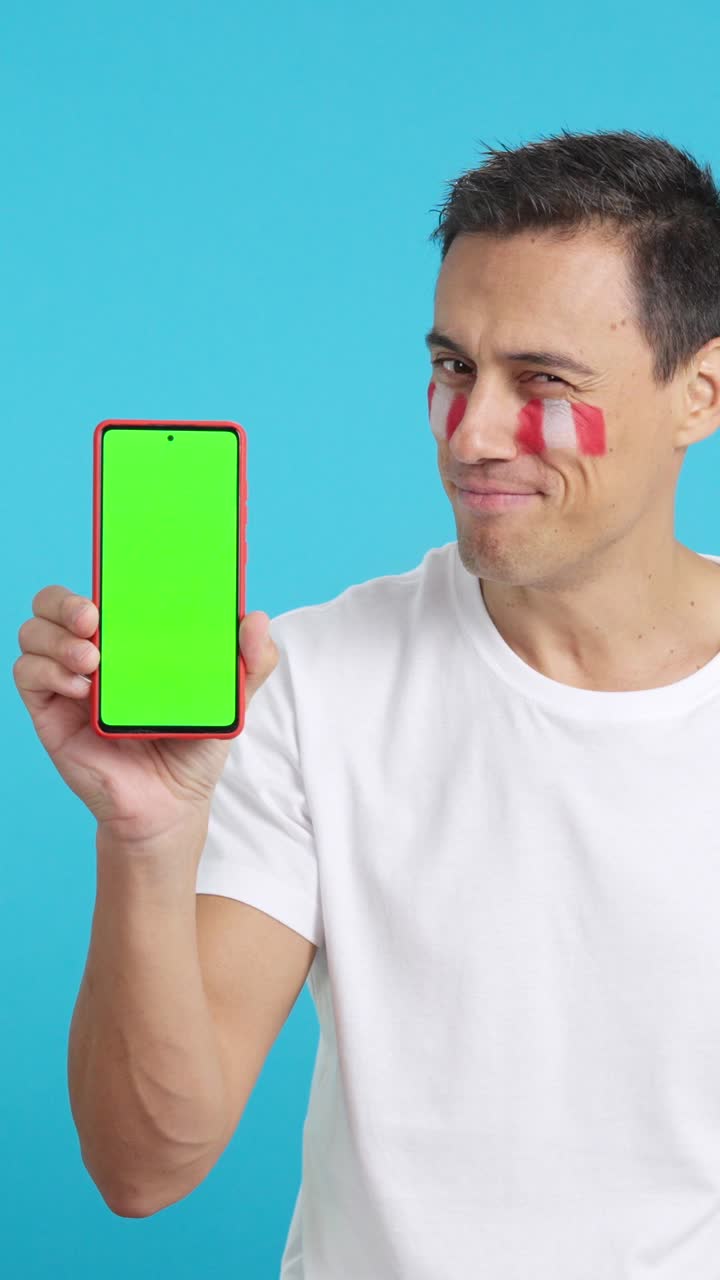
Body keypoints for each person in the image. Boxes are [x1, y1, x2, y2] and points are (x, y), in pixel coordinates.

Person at [15, 126, 720, 1278]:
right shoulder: (308, 684)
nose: (473, 432)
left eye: (542, 381)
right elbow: (145, 1165)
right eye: (453, 367)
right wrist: (146, 835)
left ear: (701, 391)